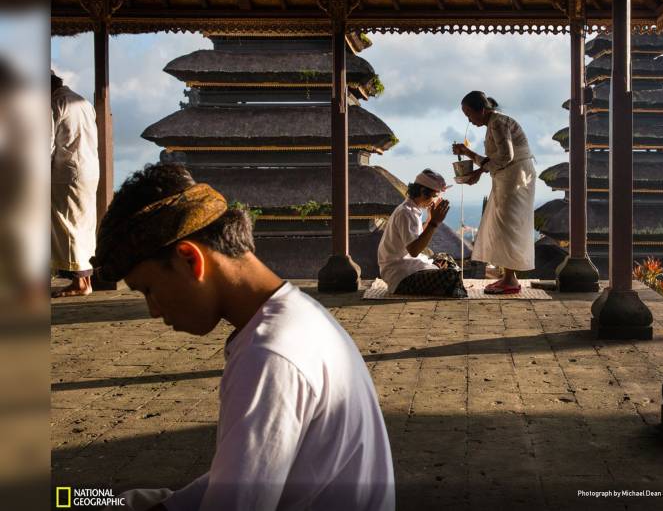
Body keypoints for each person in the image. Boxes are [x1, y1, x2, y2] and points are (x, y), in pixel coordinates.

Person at [91, 163, 394, 511]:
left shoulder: (269, 355)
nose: (153, 310)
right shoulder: (298, 316)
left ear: (190, 259)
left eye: (149, 289)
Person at [452, 91, 535, 294]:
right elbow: (498, 158)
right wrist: (479, 171)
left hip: (515, 177)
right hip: (509, 176)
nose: (469, 121)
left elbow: (506, 156)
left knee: (509, 224)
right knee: (502, 223)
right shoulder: (493, 123)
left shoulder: (497, 123)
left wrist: (469, 153)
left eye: (469, 115)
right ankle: (507, 276)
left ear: (482, 110)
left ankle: (510, 280)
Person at [377, 170, 467, 298]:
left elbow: (416, 237)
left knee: (445, 258)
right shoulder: (406, 213)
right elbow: (414, 250)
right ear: (423, 192)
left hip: (410, 268)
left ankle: (443, 285)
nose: (435, 200)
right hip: (401, 276)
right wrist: (434, 223)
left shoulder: (412, 209)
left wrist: (430, 218)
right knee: (452, 274)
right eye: (434, 196)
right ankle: (445, 287)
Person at [51, 70, 98, 297]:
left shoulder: (55, 103)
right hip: (89, 169)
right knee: (82, 223)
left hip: (67, 172)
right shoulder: (83, 102)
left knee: (67, 224)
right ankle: (84, 281)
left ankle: (80, 282)